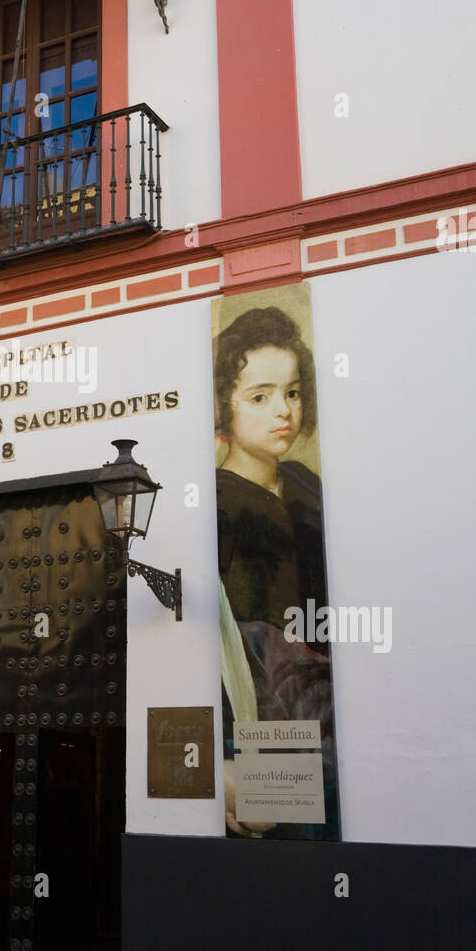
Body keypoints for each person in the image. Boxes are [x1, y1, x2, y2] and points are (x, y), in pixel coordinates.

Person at [214, 305, 339, 840]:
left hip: (329, 700)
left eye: (291, 392)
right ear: (224, 404)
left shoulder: (305, 481)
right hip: (267, 714)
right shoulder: (217, 501)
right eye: (258, 397)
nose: (282, 411)